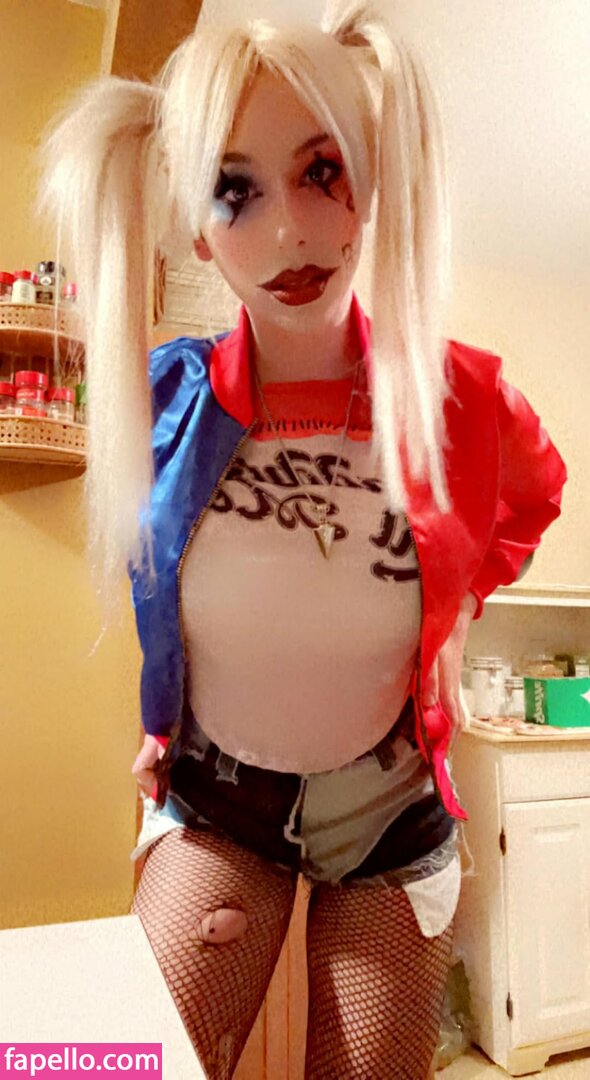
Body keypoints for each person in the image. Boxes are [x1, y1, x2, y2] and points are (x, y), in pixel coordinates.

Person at [38, 2, 566, 1077]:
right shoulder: (162, 403)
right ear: (197, 229)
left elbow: (532, 501)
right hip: (216, 801)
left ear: (373, 185)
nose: (287, 233)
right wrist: (162, 709)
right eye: (235, 192)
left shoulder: (464, 400)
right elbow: (158, 586)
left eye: (322, 173)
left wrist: (458, 617)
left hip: (392, 812)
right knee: (121, 1060)